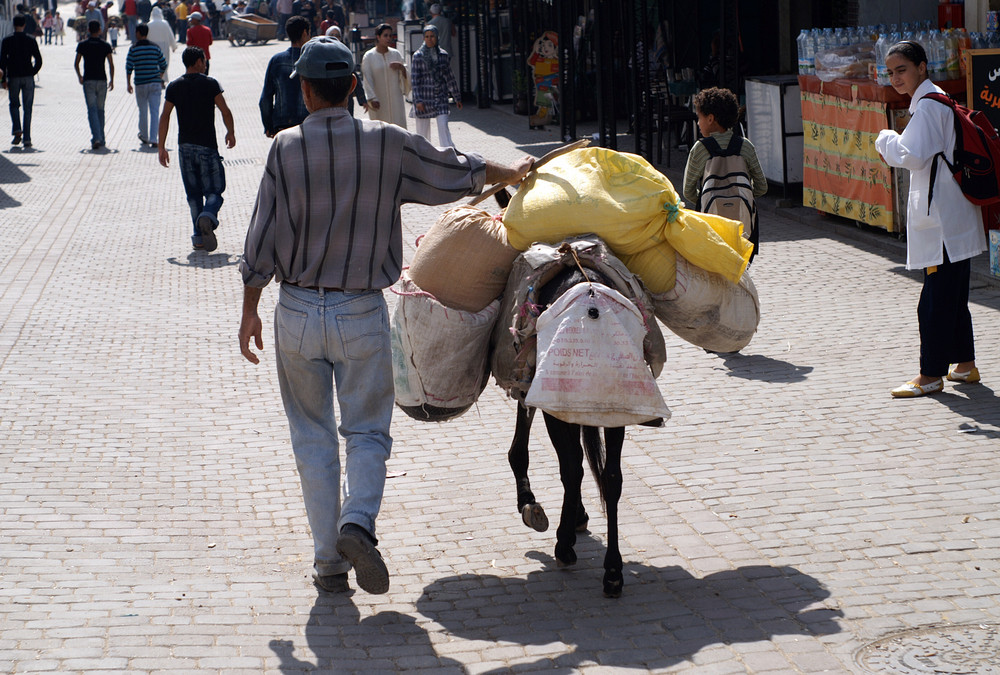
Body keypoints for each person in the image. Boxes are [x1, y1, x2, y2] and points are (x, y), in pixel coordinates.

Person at [237, 36, 533, 596]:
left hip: (296, 311)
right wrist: (514, 169)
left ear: (303, 90)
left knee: (312, 437)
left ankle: (329, 564)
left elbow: (260, 240)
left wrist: (250, 311)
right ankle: (358, 522)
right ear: (353, 86)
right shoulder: (387, 144)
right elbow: (459, 170)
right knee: (368, 431)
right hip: (360, 313)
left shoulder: (283, 149)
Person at [875, 40, 986, 398]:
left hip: (941, 220)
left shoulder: (927, 106)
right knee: (952, 296)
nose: (896, 77)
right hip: (954, 215)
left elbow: (913, 156)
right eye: (891, 72)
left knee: (934, 300)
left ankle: (931, 374)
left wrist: (885, 138)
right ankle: (965, 366)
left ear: (922, 67)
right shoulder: (936, 99)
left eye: (902, 69)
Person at [157, 46, 235, 252]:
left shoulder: (174, 86)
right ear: (199, 62)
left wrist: (161, 147)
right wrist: (231, 132)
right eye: (204, 60)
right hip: (207, 147)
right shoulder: (211, 84)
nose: (206, 63)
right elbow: (225, 111)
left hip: (184, 148)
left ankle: (198, 238)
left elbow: (165, 116)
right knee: (215, 190)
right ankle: (208, 215)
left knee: (193, 195)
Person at [682, 86, 767, 258]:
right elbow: (762, 187)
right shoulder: (745, 146)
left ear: (711, 118)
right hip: (743, 226)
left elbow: (688, 191)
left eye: (699, 118)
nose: (698, 123)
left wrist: (707, 200)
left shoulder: (700, 149)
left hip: (711, 226)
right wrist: (742, 195)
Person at [409, 24, 459, 147]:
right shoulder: (418, 56)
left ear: (437, 37)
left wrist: (457, 97)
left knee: (443, 126)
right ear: (423, 38)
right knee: (422, 133)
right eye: (427, 36)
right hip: (424, 98)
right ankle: (424, 155)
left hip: (440, 96)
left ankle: (448, 153)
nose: (429, 39)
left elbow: (449, 77)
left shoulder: (443, 55)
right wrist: (418, 100)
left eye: (432, 36)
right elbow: (415, 80)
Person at [259, 15, 309, 137]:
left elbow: (265, 99)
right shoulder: (312, 60)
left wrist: (269, 125)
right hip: (308, 125)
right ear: (304, 33)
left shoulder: (276, 61)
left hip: (282, 126)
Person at [0, 14, 43, 148]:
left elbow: (2, 61)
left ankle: (17, 129)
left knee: (14, 105)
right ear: (24, 25)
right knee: (28, 108)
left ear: (13, 25)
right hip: (27, 77)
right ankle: (27, 138)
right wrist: (32, 72)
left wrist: (3, 79)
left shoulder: (7, 40)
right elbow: (39, 60)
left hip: (13, 77)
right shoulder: (30, 40)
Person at [75, 20, 115, 150]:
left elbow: (76, 63)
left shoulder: (83, 45)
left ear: (88, 30)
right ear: (99, 30)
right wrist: (112, 80)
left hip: (88, 80)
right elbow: (111, 64)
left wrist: (80, 76)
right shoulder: (105, 45)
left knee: (92, 110)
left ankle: (96, 137)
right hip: (102, 80)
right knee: (100, 110)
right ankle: (101, 137)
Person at [126, 22, 167, 146]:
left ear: (138, 33)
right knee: (155, 111)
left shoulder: (133, 48)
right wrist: (159, 77)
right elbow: (163, 64)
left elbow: (129, 67)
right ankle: (154, 139)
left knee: (143, 111)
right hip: (155, 83)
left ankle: (144, 135)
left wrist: (128, 83)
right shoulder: (155, 47)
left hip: (141, 83)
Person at [361, 23, 408, 128]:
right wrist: (372, 98)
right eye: (385, 35)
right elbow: (367, 79)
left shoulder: (396, 54)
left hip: (396, 99)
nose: (389, 38)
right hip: (378, 101)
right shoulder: (369, 57)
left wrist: (402, 68)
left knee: (398, 128)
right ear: (378, 37)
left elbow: (406, 76)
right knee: (381, 129)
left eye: (390, 35)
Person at [147, 6, 177, 81]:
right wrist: (173, 46)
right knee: (163, 63)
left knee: (154, 64)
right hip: (164, 46)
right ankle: (162, 79)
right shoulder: (164, 23)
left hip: (152, 47)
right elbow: (170, 35)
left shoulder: (149, 24)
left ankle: (155, 78)